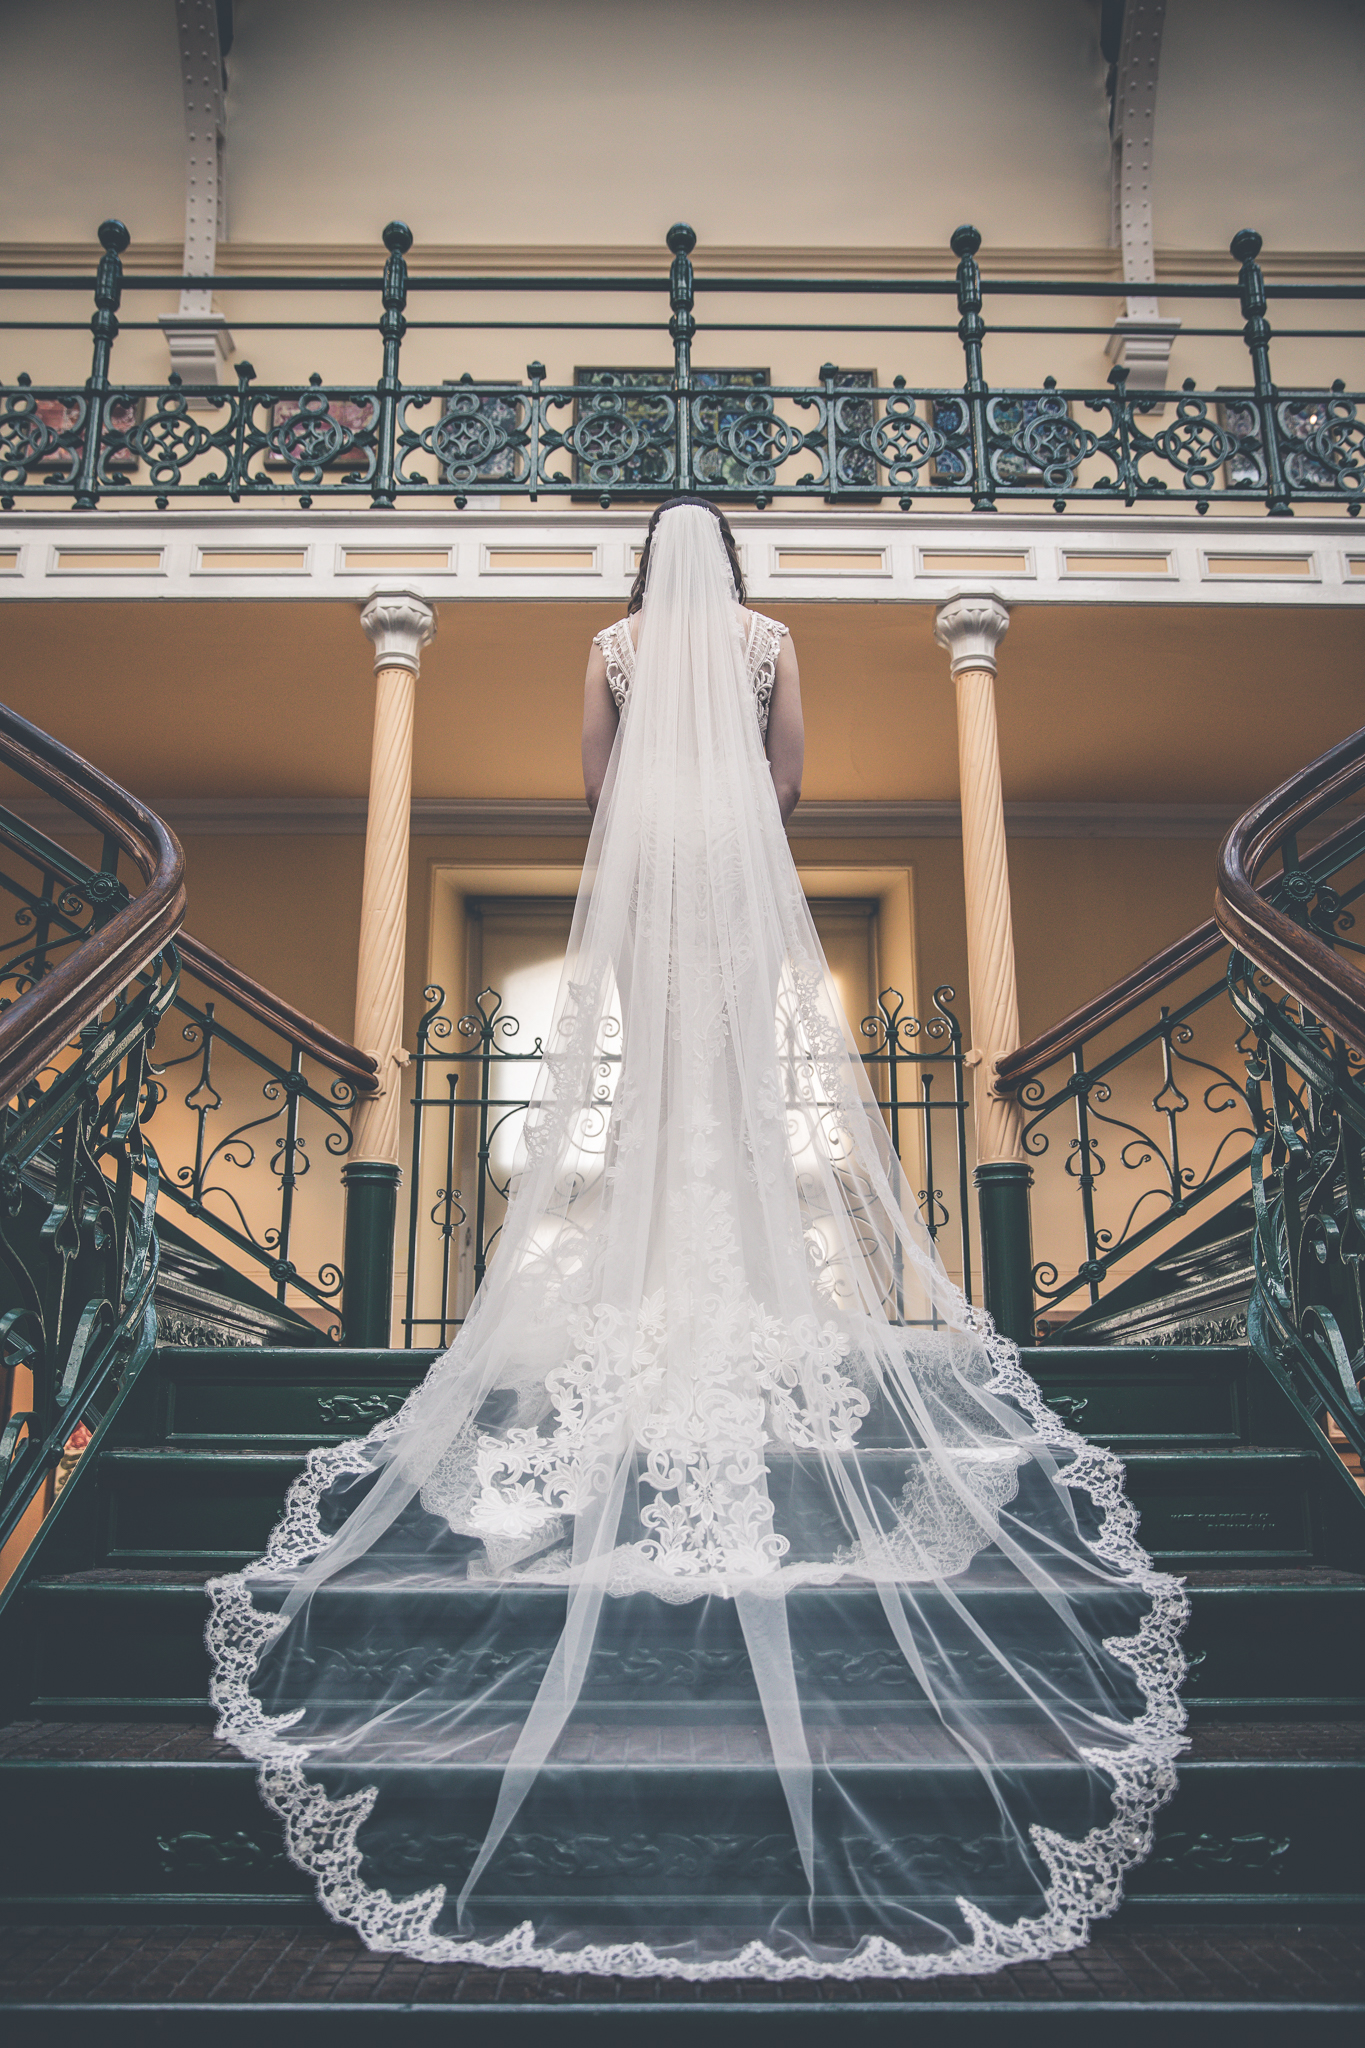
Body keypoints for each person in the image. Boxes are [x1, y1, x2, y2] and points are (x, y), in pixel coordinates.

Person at [208, 497, 1186, 1981]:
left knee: (650, 1079)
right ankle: (737, 1289)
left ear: (637, 572)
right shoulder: (768, 635)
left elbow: (592, 787)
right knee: (738, 1083)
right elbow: (790, 782)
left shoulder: (606, 641)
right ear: (728, 564)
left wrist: (657, 833)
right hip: (734, 867)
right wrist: (734, 824)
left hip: (650, 873)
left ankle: (651, 1285)